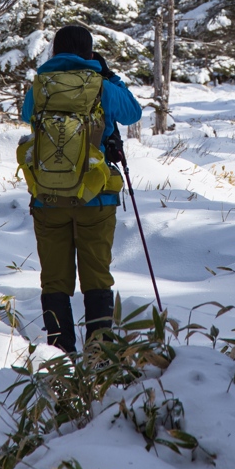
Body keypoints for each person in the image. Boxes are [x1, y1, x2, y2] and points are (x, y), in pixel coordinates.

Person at [21, 24, 142, 353]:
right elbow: (133, 112)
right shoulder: (101, 85)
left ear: (55, 53)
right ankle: (99, 356)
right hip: (95, 197)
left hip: (48, 199)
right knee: (96, 278)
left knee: (54, 280)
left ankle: (60, 356)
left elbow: (26, 115)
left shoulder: (40, 86)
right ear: (90, 53)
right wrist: (109, 75)